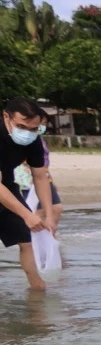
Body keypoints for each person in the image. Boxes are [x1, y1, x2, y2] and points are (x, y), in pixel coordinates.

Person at [1, 97, 55, 291]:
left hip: (7, 186)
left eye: (34, 129)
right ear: (6, 117)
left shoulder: (33, 141)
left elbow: (40, 177)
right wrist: (27, 215)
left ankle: (38, 289)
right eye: (22, 127)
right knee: (27, 220)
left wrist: (48, 217)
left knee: (26, 239)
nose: (28, 133)